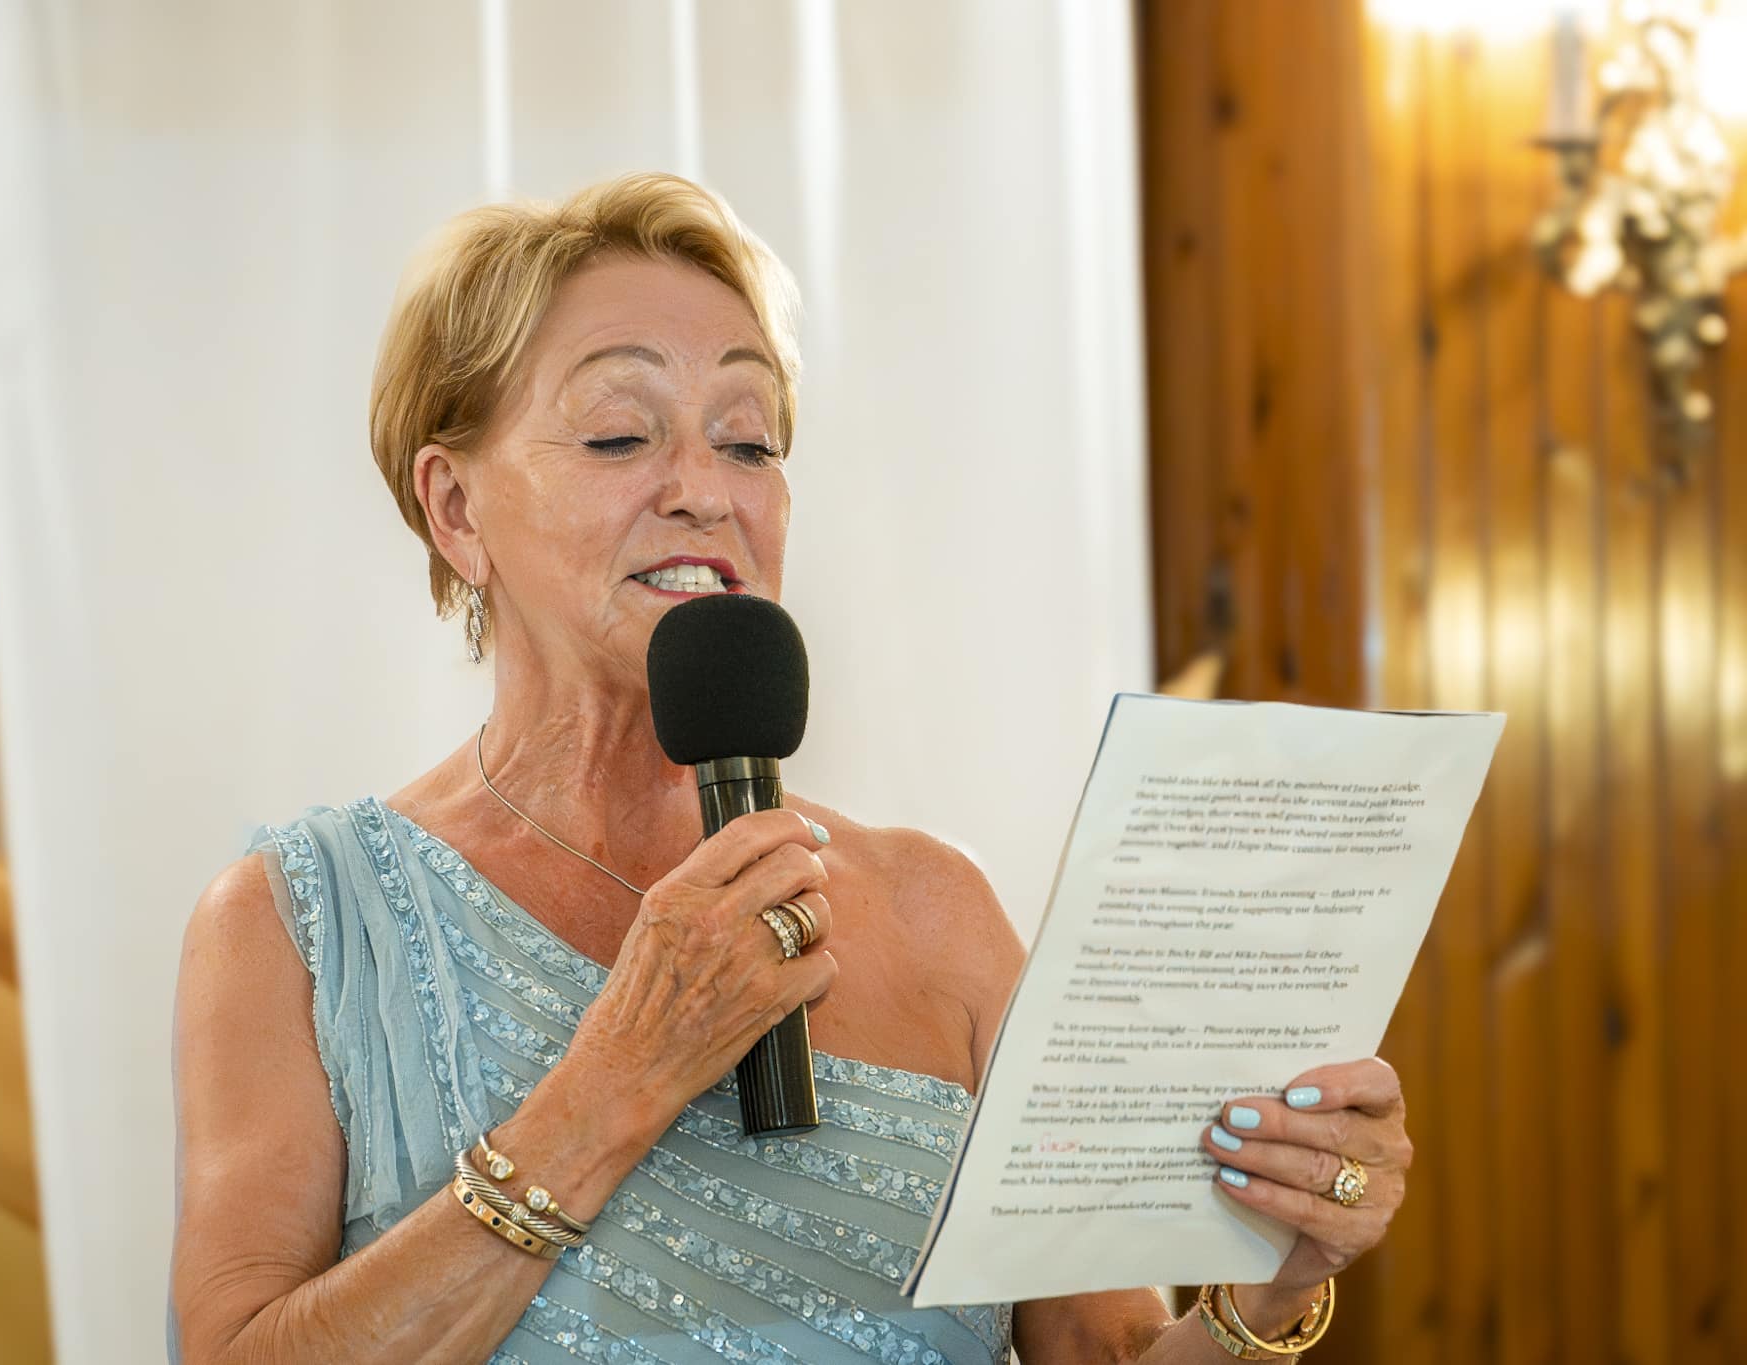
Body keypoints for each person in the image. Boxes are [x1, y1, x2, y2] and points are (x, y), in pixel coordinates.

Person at [168, 172, 1412, 1364]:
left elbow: (1103, 1356)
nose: (704, 493)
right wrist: (615, 1080)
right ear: (453, 508)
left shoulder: (936, 912)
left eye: (748, 442)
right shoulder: (296, 923)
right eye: (619, 434)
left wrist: (1266, 1293)